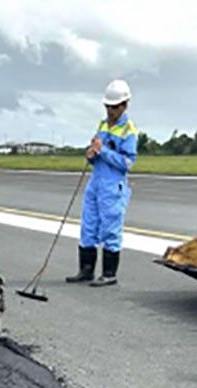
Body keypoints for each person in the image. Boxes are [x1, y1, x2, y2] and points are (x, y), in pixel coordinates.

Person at [66, 79, 138, 286]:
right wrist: (90, 154)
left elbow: (127, 162)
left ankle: (109, 273)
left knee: (110, 228)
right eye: (108, 106)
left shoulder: (129, 131)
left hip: (112, 186)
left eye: (114, 107)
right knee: (88, 226)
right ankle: (86, 269)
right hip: (95, 182)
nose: (110, 111)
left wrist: (103, 151)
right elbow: (96, 151)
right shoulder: (103, 124)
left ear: (125, 105)